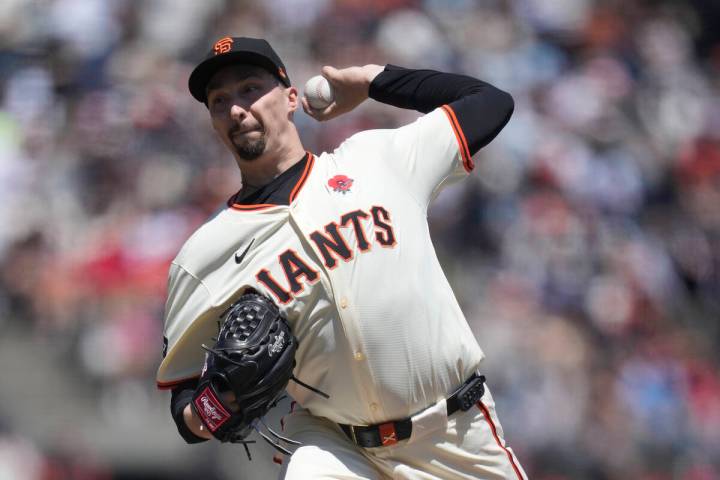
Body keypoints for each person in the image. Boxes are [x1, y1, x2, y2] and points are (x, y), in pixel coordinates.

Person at [156, 36, 526, 479]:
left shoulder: (376, 160)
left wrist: (373, 81)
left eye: (250, 89)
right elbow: (185, 408)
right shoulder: (203, 255)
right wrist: (219, 405)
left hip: (456, 434)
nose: (237, 108)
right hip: (336, 447)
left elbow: (489, 102)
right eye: (220, 101)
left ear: (292, 98)